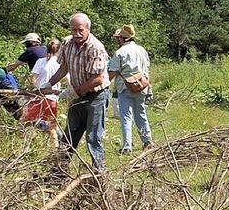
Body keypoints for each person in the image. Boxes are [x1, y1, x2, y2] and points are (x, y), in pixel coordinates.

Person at [46, 12, 110, 172]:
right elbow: (63, 68)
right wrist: (47, 84)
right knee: (69, 134)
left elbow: (98, 79)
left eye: (80, 30)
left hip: (96, 96)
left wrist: (75, 91)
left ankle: (99, 175)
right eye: (74, 30)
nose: (77, 33)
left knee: (93, 137)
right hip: (77, 95)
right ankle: (58, 173)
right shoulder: (67, 43)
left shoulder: (95, 48)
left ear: (87, 29)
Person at [108, 24, 153, 153]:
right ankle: (147, 141)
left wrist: (104, 84)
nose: (118, 40)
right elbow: (146, 68)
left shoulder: (120, 52)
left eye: (118, 38)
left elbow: (113, 72)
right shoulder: (142, 50)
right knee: (141, 113)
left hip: (125, 87)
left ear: (122, 38)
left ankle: (127, 146)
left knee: (126, 116)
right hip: (141, 86)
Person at [22, 38, 69, 148]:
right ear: (60, 50)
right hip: (52, 98)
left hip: (38, 97)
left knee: (26, 121)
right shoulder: (61, 65)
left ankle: (25, 146)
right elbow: (69, 81)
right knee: (51, 127)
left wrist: (35, 88)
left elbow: (33, 79)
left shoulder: (40, 61)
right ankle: (56, 149)